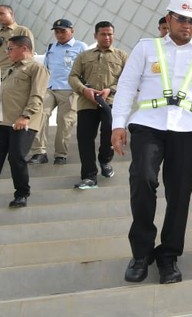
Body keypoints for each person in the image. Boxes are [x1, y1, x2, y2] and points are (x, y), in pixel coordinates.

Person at [111, 0, 192, 285]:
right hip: (148, 125)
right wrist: (117, 124)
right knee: (143, 179)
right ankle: (141, 253)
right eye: (181, 19)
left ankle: (169, 255)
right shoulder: (145, 48)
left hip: (187, 128)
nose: (186, 25)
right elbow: (126, 86)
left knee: (181, 193)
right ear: (169, 19)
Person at [68, 21, 128, 190]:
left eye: (110, 34)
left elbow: (127, 79)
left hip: (111, 103)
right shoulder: (83, 56)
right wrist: (84, 90)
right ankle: (89, 176)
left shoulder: (122, 56)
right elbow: (73, 77)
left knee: (109, 134)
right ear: (95, 36)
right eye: (103, 34)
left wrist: (110, 89)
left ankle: (105, 160)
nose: (107, 37)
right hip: (87, 103)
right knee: (85, 139)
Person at [29, 19, 88, 165]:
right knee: (39, 115)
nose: (60, 34)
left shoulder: (81, 47)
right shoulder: (52, 47)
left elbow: (87, 68)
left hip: (70, 90)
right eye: (57, 32)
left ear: (71, 31)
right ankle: (39, 152)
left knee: (64, 122)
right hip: (50, 88)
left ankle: (60, 154)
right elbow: (46, 68)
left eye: (63, 31)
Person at [0, 36, 48, 207]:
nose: (7, 52)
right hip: (4, 121)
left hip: (24, 122)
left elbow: (37, 95)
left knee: (16, 157)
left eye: (10, 48)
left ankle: (21, 194)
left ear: (24, 48)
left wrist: (26, 116)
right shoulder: (10, 69)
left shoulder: (36, 68)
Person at [0, 4, 35, 76]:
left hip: (16, 73)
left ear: (11, 14)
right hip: (2, 73)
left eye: (2, 14)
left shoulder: (22, 31)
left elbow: (29, 53)